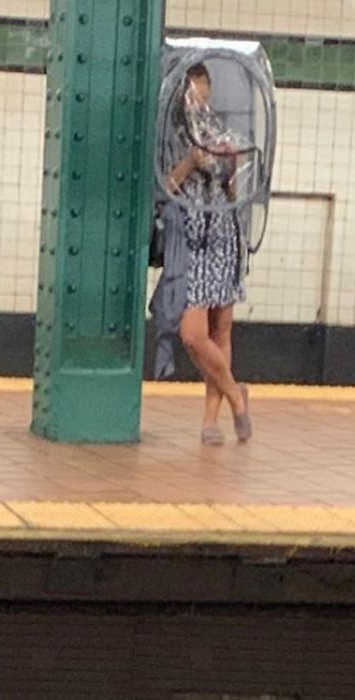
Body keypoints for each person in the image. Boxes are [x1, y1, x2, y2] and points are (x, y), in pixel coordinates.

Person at [149, 62, 251, 445]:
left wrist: (231, 162)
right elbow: (164, 186)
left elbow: (233, 190)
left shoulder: (219, 129)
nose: (199, 90)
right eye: (193, 84)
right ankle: (236, 394)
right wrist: (191, 160)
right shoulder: (170, 134)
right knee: (192, 334)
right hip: (190, 239)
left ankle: (211, 421)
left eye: (203, 83)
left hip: (223, 234)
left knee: (220, 329)